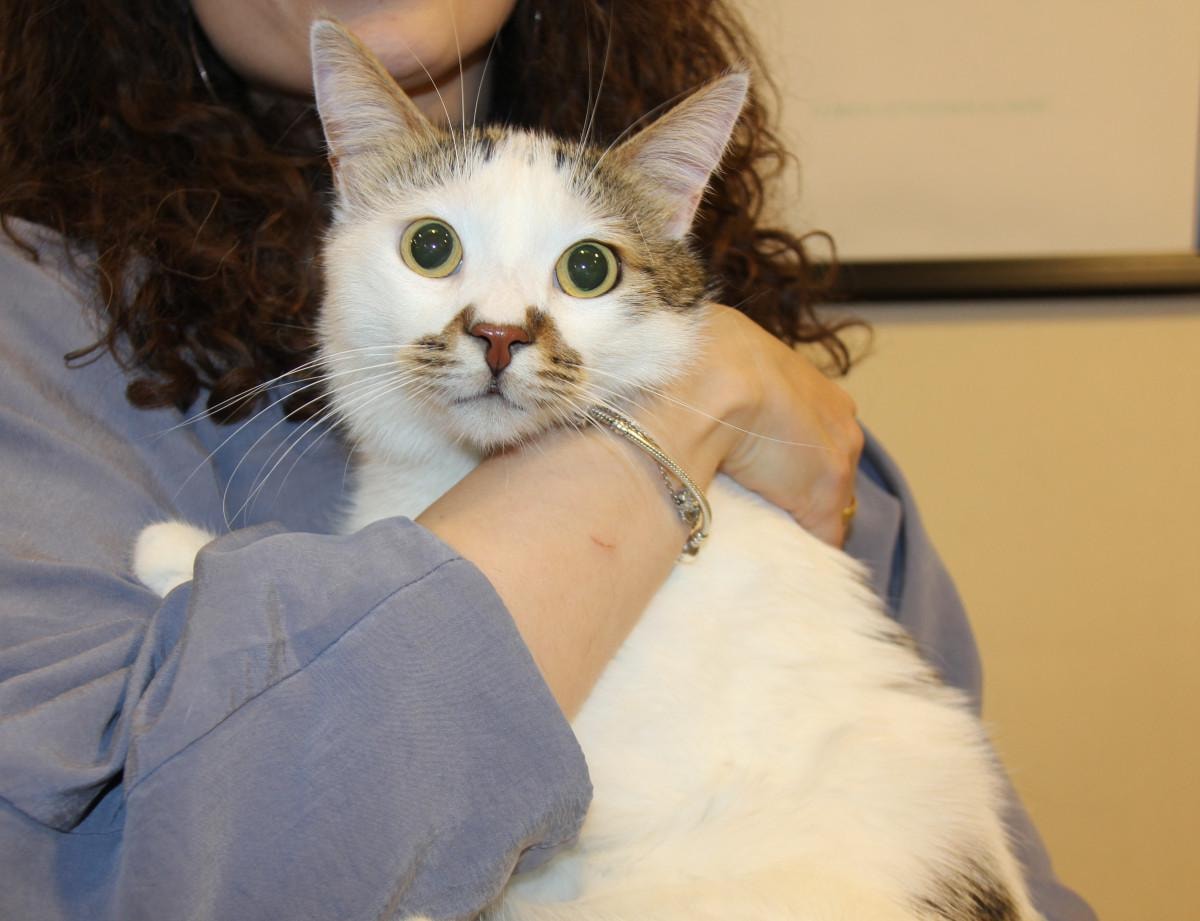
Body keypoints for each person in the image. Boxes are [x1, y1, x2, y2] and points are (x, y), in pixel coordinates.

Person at [0, 1, 1094, 919]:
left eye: (586, 269)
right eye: (432, 248)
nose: (500, 328)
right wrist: (681, 418)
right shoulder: (34, 333)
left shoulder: (797, 453)